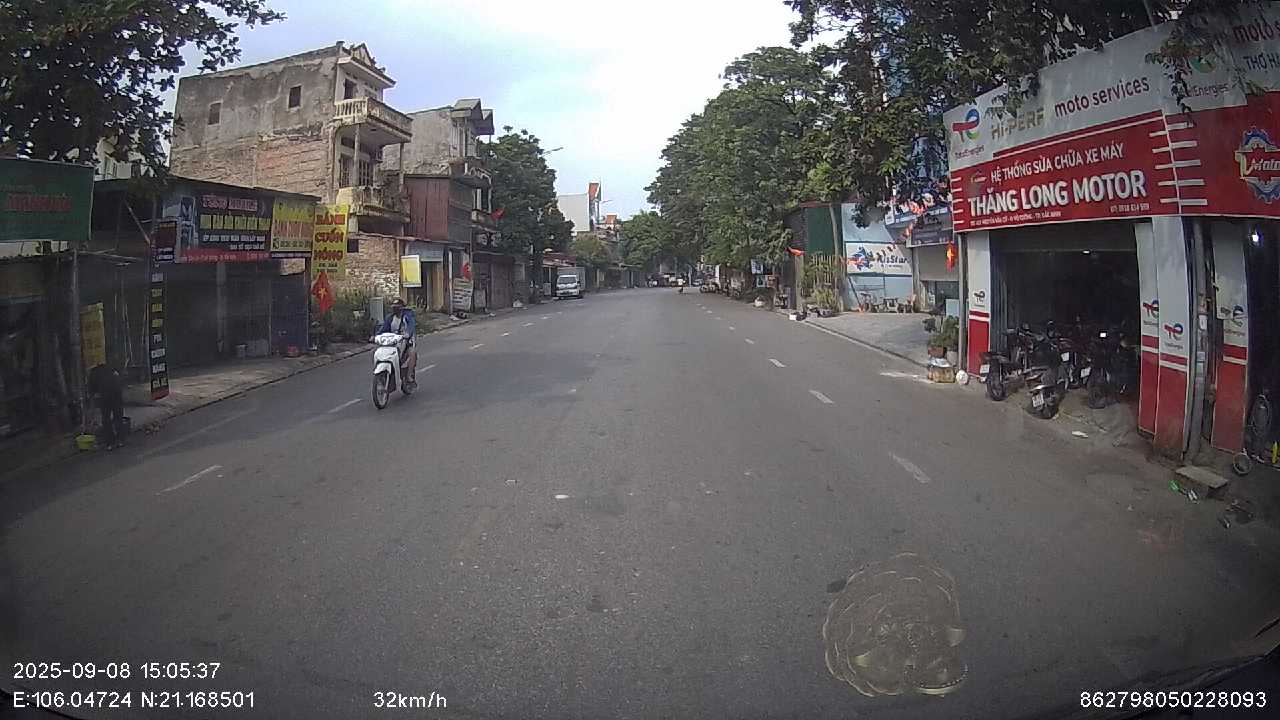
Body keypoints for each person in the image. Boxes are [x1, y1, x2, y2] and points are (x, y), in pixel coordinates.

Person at [377, 298, 417, 386]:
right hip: (393, 341)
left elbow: (411, 325)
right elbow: (383, 328)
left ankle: (409, 375)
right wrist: (375, 336)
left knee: (412, 352)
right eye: (394, 307)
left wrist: (407, 333)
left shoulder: (407, 316)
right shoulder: (390, 318)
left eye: (397, 308)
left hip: (406, 340)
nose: (395, 310)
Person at [88, 364, 126, 449]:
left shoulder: (92, 374)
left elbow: (92, 393)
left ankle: (110, 443)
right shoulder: (109, 368)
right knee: (118, 417)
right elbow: (118, 378)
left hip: (105, 396)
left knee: (106, 419)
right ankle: (120, 440)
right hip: (116, 393)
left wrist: (92, 411)